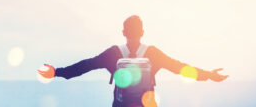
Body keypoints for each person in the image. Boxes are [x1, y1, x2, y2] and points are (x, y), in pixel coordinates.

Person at [38, 15, 228, 107]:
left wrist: (56, 72)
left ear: (123, 33)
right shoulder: (153, 53)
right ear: (143, 32)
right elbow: (180, 68)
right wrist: (209, 75)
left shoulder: (113, 53)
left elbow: (85, 66)